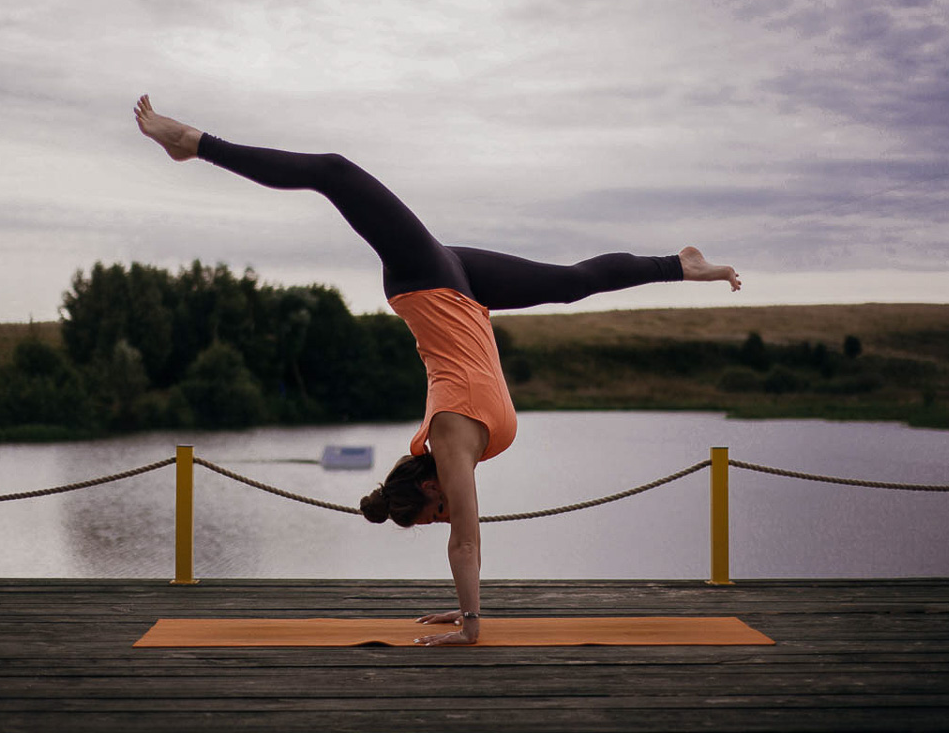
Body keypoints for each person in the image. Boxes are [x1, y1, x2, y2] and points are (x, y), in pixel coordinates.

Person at [134, 95, 741, 645]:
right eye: (437, 520)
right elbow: (466, 537)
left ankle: (190, 143)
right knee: (570, 284)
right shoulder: (461, 450)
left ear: (428, 489)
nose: (445, 516)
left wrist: (470, 626)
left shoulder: (451, 444)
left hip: (426, 283)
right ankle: (680, 265)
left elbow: (465, 542)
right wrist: (465, 612)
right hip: (462, 288)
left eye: (431, 514)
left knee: (334, 172)